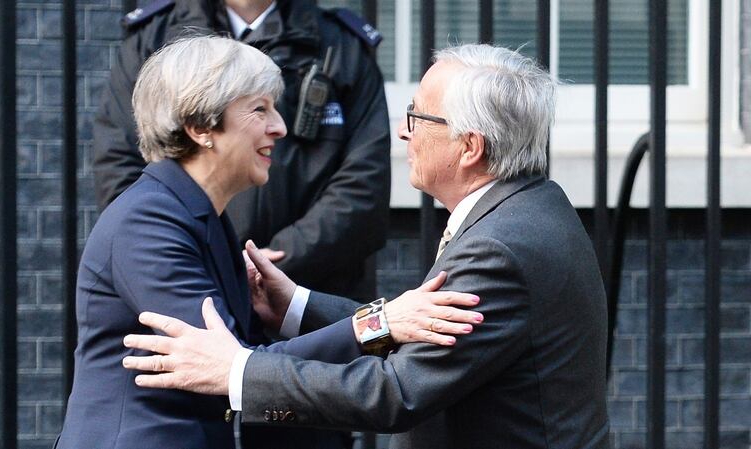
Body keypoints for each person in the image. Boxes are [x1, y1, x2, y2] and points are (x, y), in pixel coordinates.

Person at [122, 43, 611, 449]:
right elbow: (421, 335)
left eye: (418, 116)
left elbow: (395, 392)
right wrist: (297, 306)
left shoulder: (500, 247)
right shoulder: (530, 209)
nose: (404, 131)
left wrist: (238, 371)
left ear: (470, 146)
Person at [56, 36, 481, 449]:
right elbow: (223, 366)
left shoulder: (198, 215)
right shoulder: (149, 223)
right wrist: (379, 324)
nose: (279, 127)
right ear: (201, 125)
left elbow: (242, 363)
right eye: (259, 110)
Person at [93, 0, 390, 303]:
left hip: (314, 293)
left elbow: (364, 182)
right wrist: (212, 260)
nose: (278, 128)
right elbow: (122, 167)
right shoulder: (152, 40)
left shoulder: (342, 45)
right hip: (191, 277)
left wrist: (264, 264)